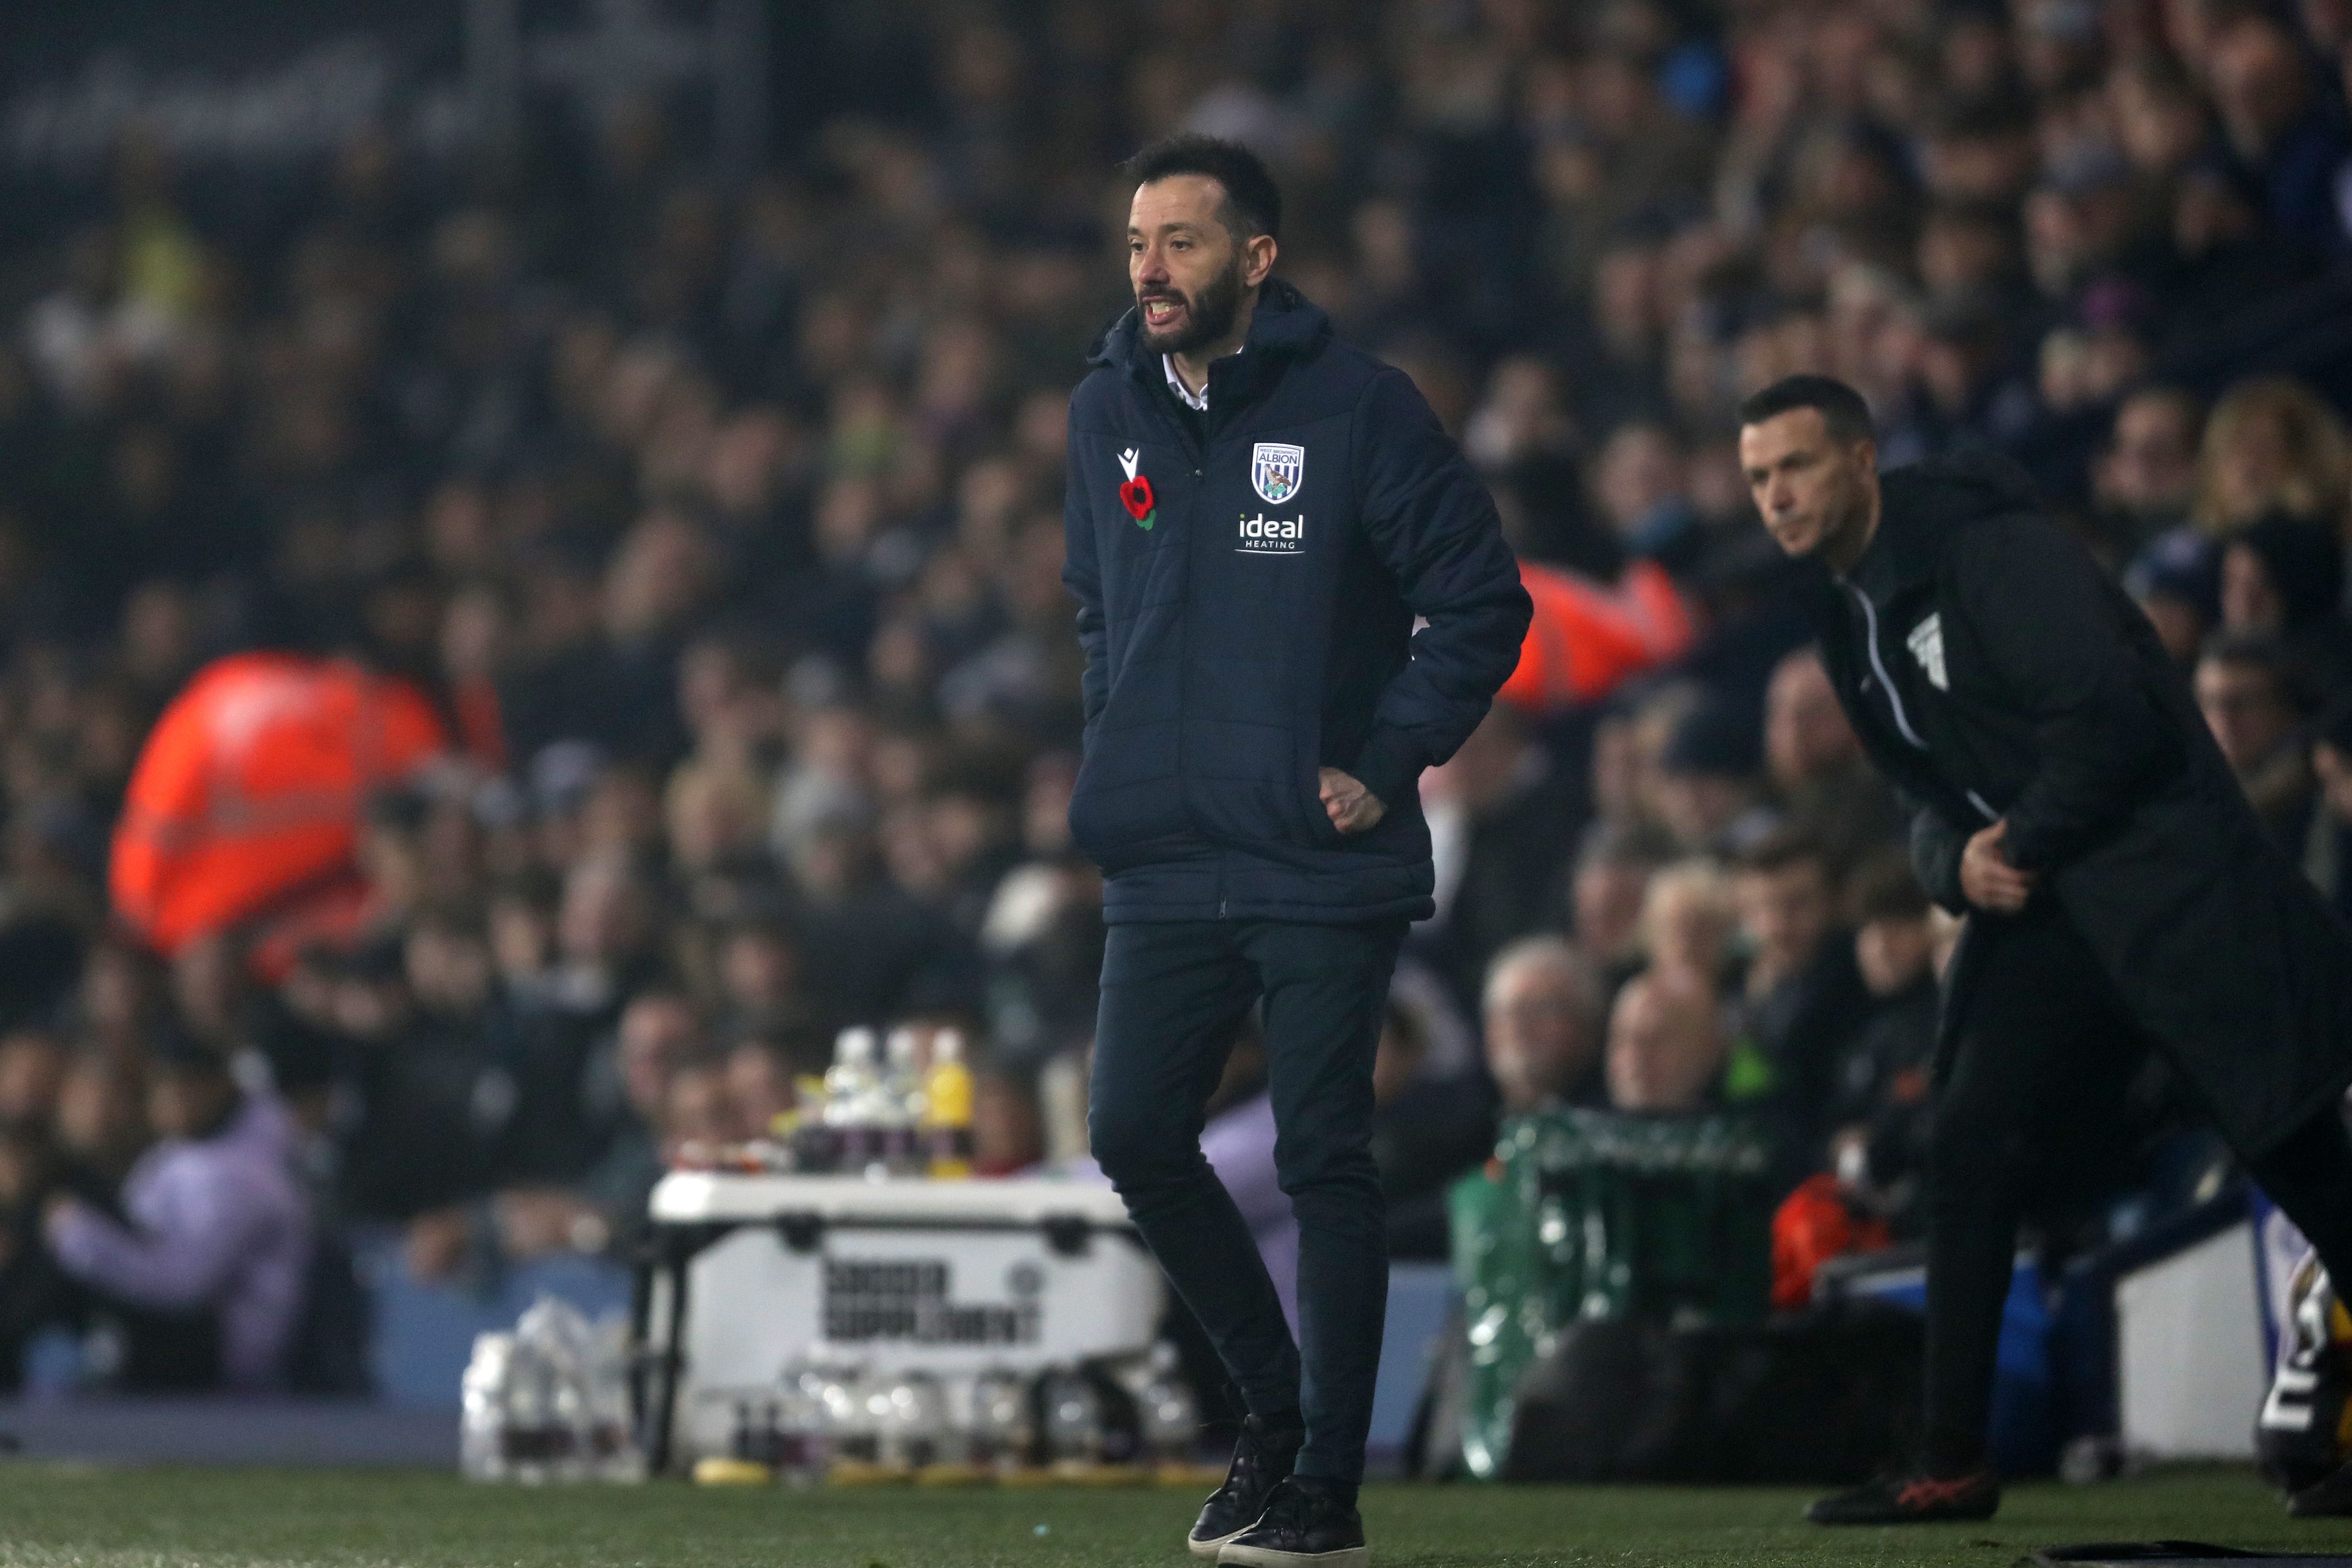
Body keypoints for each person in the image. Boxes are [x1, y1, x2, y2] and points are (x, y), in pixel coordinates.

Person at [1737, 372, 2352, 1525]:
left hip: (2167, 887)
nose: (1777, 495)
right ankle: (1948, 1459)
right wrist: (1949, 865)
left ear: (1862, 460)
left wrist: (2013, 838)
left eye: (1797, 466)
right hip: (2048, 905)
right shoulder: (1838, 608)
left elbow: (2117, 722)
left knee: (2297, 1151)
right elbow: (1920, 792)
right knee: (1968, 1140)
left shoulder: (1991, 554)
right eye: (1759, 477)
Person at [1064, 133, 1530, 1568]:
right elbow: (1100, 611)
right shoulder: (1104, 409)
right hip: (1168, 851)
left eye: (1182, 242)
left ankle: (1324, 1486)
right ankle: (1270, 1421)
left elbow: (1480, 601)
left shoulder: (1358, 409)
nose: (1149, 267)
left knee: (1326, 1154)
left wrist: (1382, 762)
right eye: (1137, 240)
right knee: (1131, 1130)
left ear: (1255, 259)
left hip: (1322, 856)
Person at [44, 1032, 310, 1391]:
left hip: (226, 1363)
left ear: (221, 1087)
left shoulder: (244, 1174)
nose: (172, 1098)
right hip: (181, 1342)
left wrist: (80, 1237)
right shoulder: (178, 1152)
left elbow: (183, 1286)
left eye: (188, 1085)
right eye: (163, 1085)